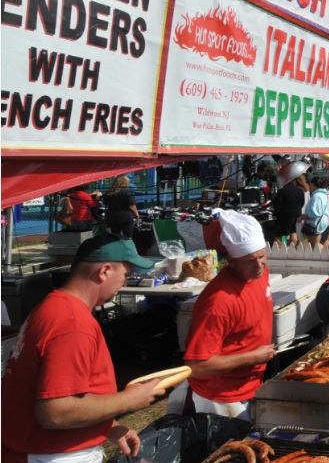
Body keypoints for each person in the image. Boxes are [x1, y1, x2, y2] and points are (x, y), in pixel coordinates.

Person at [1, 232, 164, 463]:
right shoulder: (73, 323)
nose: (125, 283)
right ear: (104, 271)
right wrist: (128, 400)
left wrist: (108, 425)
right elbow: (55, 412)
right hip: (53, 454)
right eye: (125, 275)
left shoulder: (52, 306)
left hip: (38, 448)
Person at [183, 210, 275, 419]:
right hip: (221, 396)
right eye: (251, 260)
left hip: (250, 384)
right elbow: (196, 365)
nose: (260, 265)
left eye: (262, 256)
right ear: (231, 262)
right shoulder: (218, 302)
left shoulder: (260, 273)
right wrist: (253, 356)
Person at [274, 165, 309, 245]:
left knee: (279, 234)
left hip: (284, 215)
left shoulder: (282, 191)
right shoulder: (299, 191)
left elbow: (277, 205)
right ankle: (293, 249)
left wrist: (276, 214)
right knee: (293, 232)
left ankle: (277, 249)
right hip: (296, 214)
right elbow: (302, 202)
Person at [301, 176, 329, 249]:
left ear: (313, 184)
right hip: (323, 222)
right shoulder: (324, 194)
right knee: (322, 242)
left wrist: (303, 216)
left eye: (310, 184)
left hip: (316, 223)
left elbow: (315, 213)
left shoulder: (317, 196)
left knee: (315, 246)